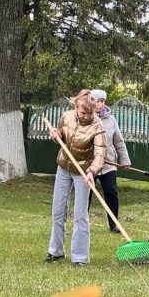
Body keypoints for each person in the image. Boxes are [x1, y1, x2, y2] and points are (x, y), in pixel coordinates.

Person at [46, 92, 107, 266]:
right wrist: (56, 136)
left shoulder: (98, 125)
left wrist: (92, 171)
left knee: (80, 215)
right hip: (64, 167)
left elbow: (100, 154)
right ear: (76, 109)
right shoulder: (66, 117)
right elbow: (62, 138)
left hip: (83, 172)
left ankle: (80, 258)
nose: (87, 117)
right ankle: (55, 251)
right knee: (58, 210)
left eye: (91, 113)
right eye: (83, 113)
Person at [90, 89, 131, 232]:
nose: (100, 104)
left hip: (109, 164)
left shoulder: (111, 119)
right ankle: (82, 223)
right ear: (91, 101)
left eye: (102, 101)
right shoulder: (86, 118)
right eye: (97, 101)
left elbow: (119, 141)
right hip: (90, 163)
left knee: (111, 192)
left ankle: (114, 224)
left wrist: (125, 160)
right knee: (86, 193)